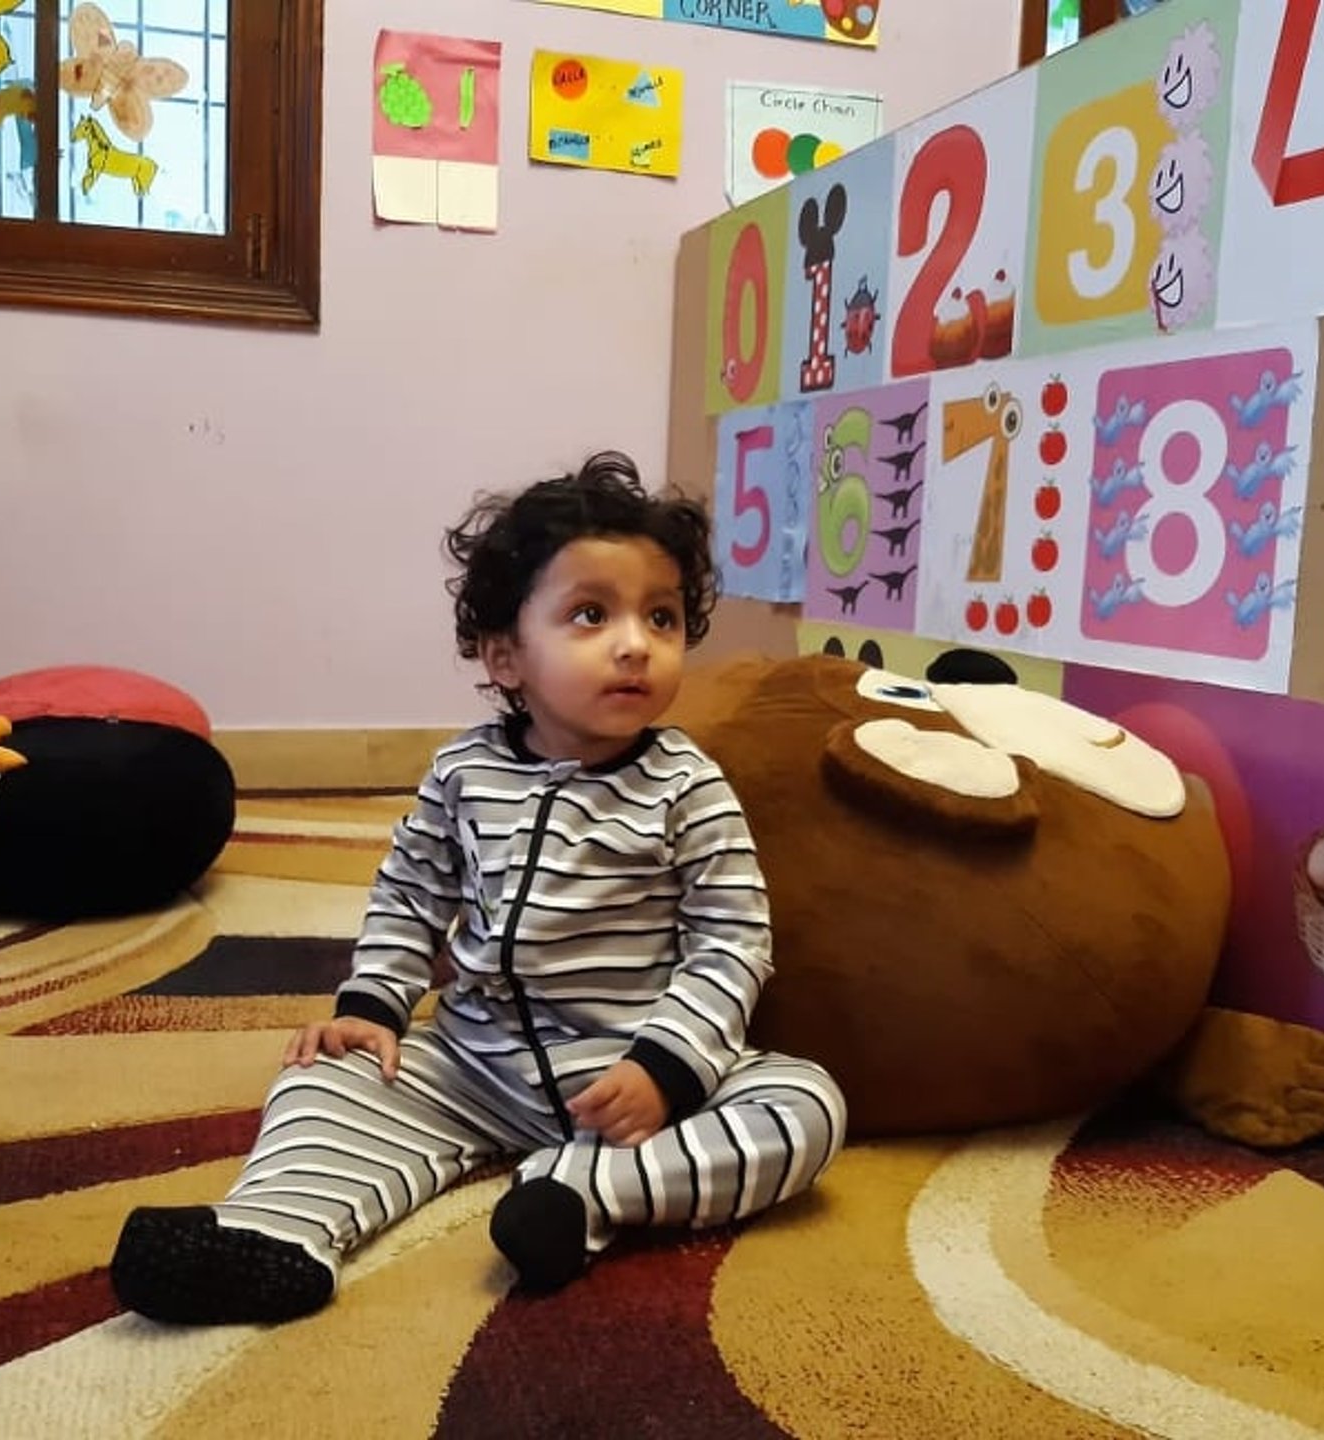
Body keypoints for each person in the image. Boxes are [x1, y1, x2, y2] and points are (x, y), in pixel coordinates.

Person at [108, 451, 848, 1325]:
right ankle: (273, 1234)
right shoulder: (463, 773)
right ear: (506, 657)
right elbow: (409, 895)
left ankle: (581, 1197)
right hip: (469, 1063)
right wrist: (375, 1006)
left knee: (807, 1106)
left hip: (624, 1072)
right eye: (589, 615)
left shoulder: (687, 785)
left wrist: (667, 1068)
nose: (634, 644)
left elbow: (734, 938)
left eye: (662, 617)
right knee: (326, 1072)